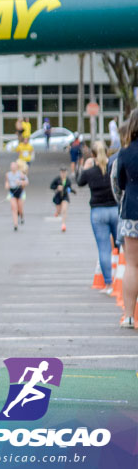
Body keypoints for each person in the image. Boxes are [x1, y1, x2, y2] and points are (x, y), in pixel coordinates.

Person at [76, 141, 117, 295]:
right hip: (114, 208)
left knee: (104, 248)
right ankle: (124, 277)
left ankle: (108, 283)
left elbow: (79, 182)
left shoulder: (90, 172)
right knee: (121, 245)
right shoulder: (113, 167)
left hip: (98, 211)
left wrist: (85, 167)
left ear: (92, 155)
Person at [112, 110, 138, 329]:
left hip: (132, 211)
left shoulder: (125, 152)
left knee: (132, 264)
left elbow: (118, 181)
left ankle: (129, 316)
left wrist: (123, 197)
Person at [5, 161, 28, 231]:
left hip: (20, 192)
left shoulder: (20, 174)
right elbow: (7, 182)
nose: (13, 167)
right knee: (14, 208)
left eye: (14, 166)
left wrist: (20, 182)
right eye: (11, 166)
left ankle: (21, 216)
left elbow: (26, 182)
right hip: (12, 192)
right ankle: (15, 224)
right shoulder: (8, 174)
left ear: (17, 167)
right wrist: (7, 185)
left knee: (20, 208)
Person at [50, 166, 73, 233]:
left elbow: (69, 189)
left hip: (65, 196)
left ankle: (63, 224)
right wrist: (57, 188)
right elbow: (51, 186)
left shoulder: (68, 180)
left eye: (64, 172)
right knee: (59, 210)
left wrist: (69, 190)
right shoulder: (57, 179)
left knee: (64, 209)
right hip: (58, 197)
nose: (63, 174)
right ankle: (57, 212)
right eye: (62, 172)